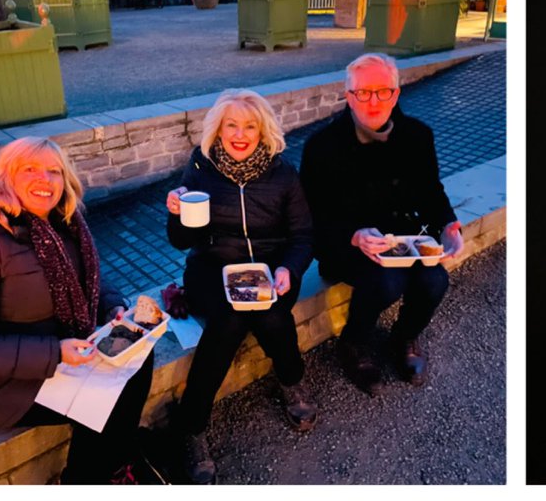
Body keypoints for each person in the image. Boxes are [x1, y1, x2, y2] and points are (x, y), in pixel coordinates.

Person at [0, 138, 151, 484]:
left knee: (138, 354)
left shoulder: (63, 222)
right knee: (108, 395)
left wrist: (113, 305)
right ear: (5, 177)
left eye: (54, 171)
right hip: (0, 386)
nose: (45, 180)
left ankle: (113, 463)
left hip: (58, 348)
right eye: (30, 169)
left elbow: (89, 276)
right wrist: (56, 353)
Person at [165, 90, 315, 484]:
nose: (240, 134)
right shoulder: (201, 168)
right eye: (231, 125)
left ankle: (291, 381)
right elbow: (180, 241)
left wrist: (289, 269)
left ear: (263, 130)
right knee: (230, 319)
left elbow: (303, 235)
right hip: (211, 270)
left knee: (269, 314)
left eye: (250, 126)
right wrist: (178, 212)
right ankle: (192, 426)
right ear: (217, 129)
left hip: (270, 269)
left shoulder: (283, 174)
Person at [300, 53, 463, 394]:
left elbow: (431, 192)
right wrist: (353, 236)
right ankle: (353, 344)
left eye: (383, 91)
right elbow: (311, 217)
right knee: (388, 280)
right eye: (363, 92)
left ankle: (404, 337)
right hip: (343, 245)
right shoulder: (322, 146)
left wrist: (448, 225)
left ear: (396, 93)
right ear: (349, 96)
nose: (373, 101)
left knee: (435, 279)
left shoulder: (418, 136)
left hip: (403, 241)